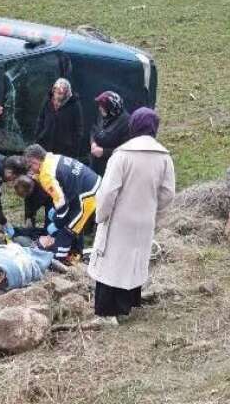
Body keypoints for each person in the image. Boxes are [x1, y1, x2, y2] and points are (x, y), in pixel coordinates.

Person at [87, 108, 176, 326]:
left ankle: (108, 312)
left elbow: (108, 192)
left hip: (119, 218)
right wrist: (152, 208)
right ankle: (127, 306)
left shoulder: (122, 155)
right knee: (134, 261)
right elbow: (168, 193)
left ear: (133, 126)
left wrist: (101, 215)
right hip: (144, 219)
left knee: (113, 263)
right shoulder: (163, 157)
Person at [17, 143, 102, 264]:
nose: (30, 171)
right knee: (71, 221)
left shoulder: (47, 175)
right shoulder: (52, 158)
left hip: (88, 195)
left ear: (35, 161)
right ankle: (75, 252)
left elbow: (61, 203)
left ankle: (59, 259)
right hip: (87, 187)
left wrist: (57, 223)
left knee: (69, 228)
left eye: (30, 167)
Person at [36, 78, 86, 161]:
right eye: (55, 92)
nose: (57, 95)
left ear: (66, 93)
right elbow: (41, 119)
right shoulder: (48, 100)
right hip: (46, 143)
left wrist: (74, 148)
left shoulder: (74, 105)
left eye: (60, 93)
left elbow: (78, 128)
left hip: (65, 148)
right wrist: (38, 136)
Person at [89, 91, 131, 176]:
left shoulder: (126, 123)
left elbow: (125, 151)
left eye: (102, 106)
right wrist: (93, 143)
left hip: (112, 169)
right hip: (95, 165)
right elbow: (94, 129)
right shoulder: (103, 115)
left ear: (111, 108)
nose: (100, 108)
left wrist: (103, 152)